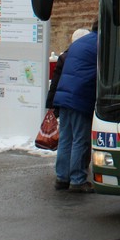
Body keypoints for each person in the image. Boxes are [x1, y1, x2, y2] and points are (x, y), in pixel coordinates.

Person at [52, 28, 97, 193]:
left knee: (65, 139)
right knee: (80, 140)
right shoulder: (99, 43)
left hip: (64, 98)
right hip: (79, 98)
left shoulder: (77, 45)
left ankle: (62, 178)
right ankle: (78, 180)